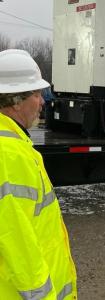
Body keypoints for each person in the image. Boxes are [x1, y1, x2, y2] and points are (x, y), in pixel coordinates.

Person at [0, 49, 77, 299]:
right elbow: (18, 245)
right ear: (15, 100)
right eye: (36, 93)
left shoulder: (13, 146)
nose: (43, 101)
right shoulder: (10, 155)